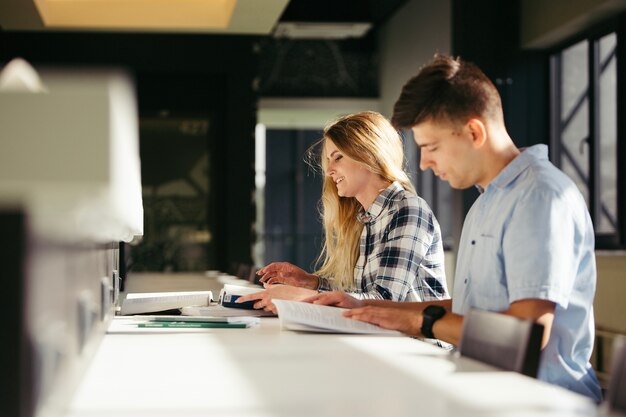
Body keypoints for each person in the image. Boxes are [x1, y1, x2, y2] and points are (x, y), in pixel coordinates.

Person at [307, 54, 602, 401]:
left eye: (431, 147)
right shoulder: (486, 202)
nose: (424, 163)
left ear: (474, 132)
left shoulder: (539, 197)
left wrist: (422, 323)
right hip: (481, 386)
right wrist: (368, 310)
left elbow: (525, 332)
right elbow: (469, 310)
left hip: (538, 401)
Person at [237, 111, 449, 312]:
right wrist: (310, 283)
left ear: (369, 155)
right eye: (328, 160)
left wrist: (300, 297)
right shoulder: (368, 218)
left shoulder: (407, 209)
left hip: (417, 347)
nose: (329, 171)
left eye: (337, 157)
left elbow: (385, 302)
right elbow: (359, 296)